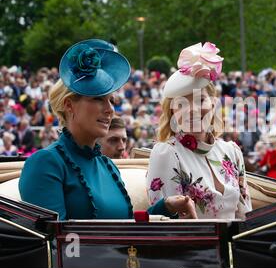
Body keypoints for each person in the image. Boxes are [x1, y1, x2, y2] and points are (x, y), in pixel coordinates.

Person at [19, 39, 196, 220]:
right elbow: (57, 242)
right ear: (69, 105)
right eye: (98, 99)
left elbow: (123, 228)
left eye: (111, 100)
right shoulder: (45, 163)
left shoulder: (108, 165)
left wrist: (165, 207)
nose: (110, 109)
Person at [146, 42, 252, 219]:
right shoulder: (167, 153)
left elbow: (246, 216)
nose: (193, 109)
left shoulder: (232, 152)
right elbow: (168, 223)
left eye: (200, 100)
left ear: (213, 103)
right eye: (182, 103)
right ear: (172, 110)